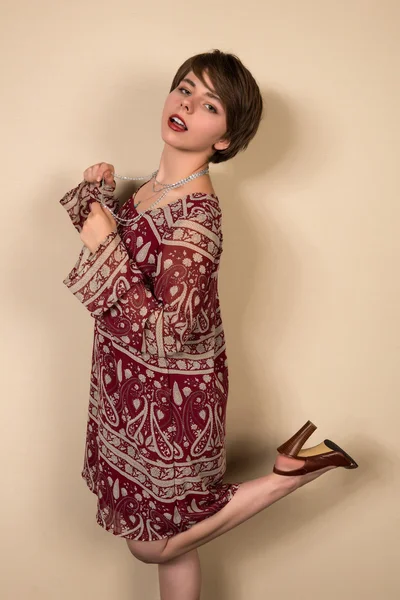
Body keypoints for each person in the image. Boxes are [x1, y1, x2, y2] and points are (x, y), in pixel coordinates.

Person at [60, 49, 358, 600]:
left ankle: (290, 475)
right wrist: (100, 196)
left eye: (210, 104)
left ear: (225, 138)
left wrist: (103, 239)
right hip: (128, 391)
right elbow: (122, 241)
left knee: (152, 542)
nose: (187, 104)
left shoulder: (198, 218)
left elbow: (167, 335)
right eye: (185, 89)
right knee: (177, 548)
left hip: (170, 402)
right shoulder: (151, 187)